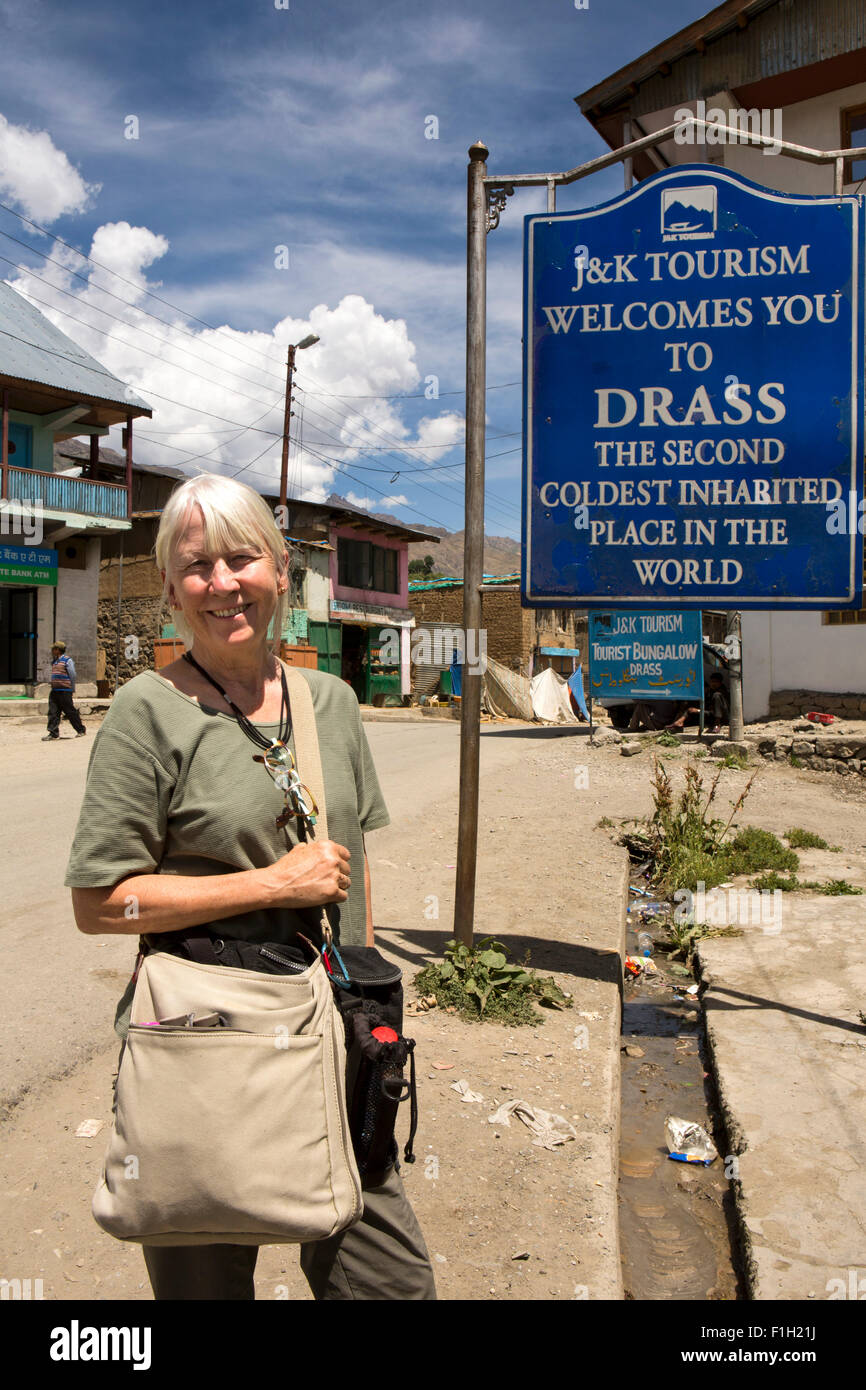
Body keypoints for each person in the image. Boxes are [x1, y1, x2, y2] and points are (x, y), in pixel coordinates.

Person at [64, 472, 436, 1301]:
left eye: (241, 559)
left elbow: (351, 874)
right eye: (196, 566)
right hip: (204, 1048)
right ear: (169, 587)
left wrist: (368, 1014)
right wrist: (269, 882)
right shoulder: (144, 714)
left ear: (278, 568)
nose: (222, 584)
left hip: (329, 1037)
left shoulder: (331, 702)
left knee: (389, 1284)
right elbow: (101, 904)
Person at [43, 640, 86, 740]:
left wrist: (72, 688)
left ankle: (80, 729)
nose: (52, 651)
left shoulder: (67, 660)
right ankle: (53, 733)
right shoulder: (54, 661)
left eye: (53, 649)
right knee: (53, 712)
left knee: (70, 711)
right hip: (55, 691)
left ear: (58, 650)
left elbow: (72, 674)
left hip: (64, 690)